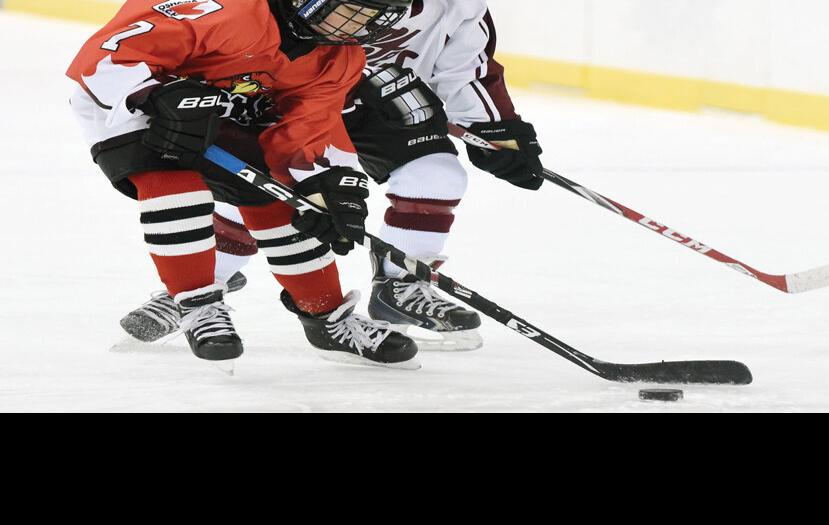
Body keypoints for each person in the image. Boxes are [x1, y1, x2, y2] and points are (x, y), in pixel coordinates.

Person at [120, 0, 545, 352]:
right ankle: (198, 290)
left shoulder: (459, 5)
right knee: (261, 190)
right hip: (291, 95)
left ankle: (400, 287)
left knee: (437, 175)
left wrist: (495, 129)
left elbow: (464, 67)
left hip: (378, 101)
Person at [68, 0, 420, 370]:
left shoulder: (338, 58)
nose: (361, 25)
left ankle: (328, 320)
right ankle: (198, 307)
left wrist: (328, 188)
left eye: (372, 17)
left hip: (224, 116)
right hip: (133, 111)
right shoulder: (229, 10)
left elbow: (307, 130)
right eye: (354, 10)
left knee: (289, 206)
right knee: (176, 187)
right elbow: (106, 55)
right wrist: (153, 94)